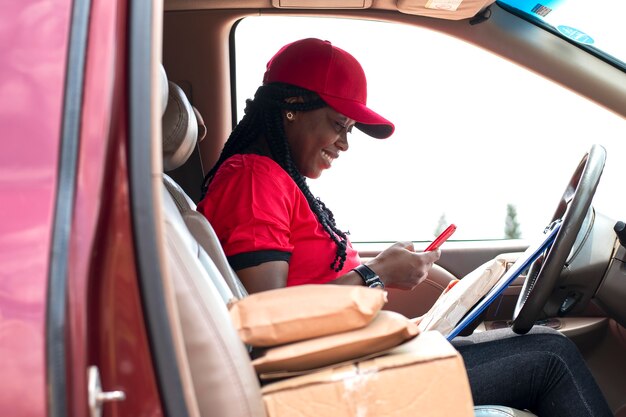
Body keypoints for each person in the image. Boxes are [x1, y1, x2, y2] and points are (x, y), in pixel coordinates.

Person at [197, 38, 613, 417]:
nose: (345, 143)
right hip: (332, 382)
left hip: (351, 363)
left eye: (349, 130)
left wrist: (380, 275)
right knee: (551, 356)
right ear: (291, 107)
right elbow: (270, 319)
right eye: (339, 124)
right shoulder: (253, 178)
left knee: (540, 346)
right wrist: (377, 273)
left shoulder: (275, 179)